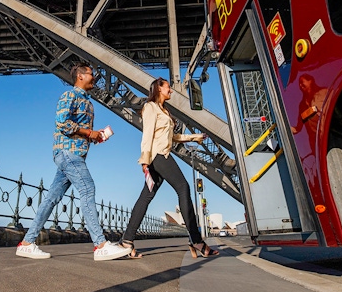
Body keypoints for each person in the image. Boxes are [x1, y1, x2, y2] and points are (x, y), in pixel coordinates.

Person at [16, 63, 131, 261]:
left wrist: (94, 137)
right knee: (87, 188)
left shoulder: (88, 102)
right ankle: (100, 245)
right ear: (80, 76)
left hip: (74, 154)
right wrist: (89, 132)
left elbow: (78, 130)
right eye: (91, 74)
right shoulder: (70, 95)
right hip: (67, 153)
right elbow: (61, 122)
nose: (94, 78)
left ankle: (27, 243)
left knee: (52, 197)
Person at [119, 77, 219, 259]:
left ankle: (127, 241)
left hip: (161, 154)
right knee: (183, 187)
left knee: (146, 196)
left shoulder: (163, 110)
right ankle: (196, 240)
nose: (171, 91)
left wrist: (194, 137)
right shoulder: (150, 107)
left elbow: (172, 137)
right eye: (168, 88)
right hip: (158, 156)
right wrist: (145, 160)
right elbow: (147, 133)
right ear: (159, 89)